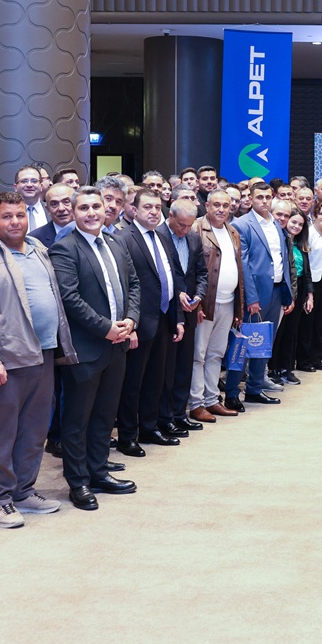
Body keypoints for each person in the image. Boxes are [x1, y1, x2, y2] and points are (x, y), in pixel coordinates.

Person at [0, 192, 77, 528]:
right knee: (3, 433)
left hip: (43, 353)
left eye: (20, 215)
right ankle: (0, 500)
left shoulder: (38, 249)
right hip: (5, 361)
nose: (15, 222)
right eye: (7, 216)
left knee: (34, 430)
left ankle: (23, 491)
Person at [49, 187, 140, 511]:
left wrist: (131, 319)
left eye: (96, 207)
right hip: (85, 349)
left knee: (104, 414)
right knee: (77, 420)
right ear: (74, 213)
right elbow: (69, 298)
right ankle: (78, 482)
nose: (91, 213)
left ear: (105, 209)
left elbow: (134, 284)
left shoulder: (115, 242)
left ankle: (99, 472)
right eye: (84, 208)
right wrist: (106, 328)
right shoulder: (64, 249)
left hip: (117, 345)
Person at [116, 189, 185, 450]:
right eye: (148, 207)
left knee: (155, 380)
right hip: (138, 323)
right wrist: (130, 324)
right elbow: (123, 286)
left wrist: (178, 319)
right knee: (132, 383)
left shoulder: (162, 238)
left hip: (164, 319)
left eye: (157, 207)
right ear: (134, 210)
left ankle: (149, 428)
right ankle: (127, 437)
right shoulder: (124, 239)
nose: (154, 212)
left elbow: (172, 280)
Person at [226, 183, 292, 407]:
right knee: (243, 344)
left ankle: (254, 389)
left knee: (264, 343)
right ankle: (232, 393)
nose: (264, 201)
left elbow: (282, 258)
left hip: (276, 290)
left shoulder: (276, 224)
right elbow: (243, 264)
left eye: (267, 197)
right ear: (251, 199)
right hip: (255, 294)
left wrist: (287, 292)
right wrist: (251, 297)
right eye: (259, 197)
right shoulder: (242, 225)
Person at [188, 189, 245, 421]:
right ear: (207, 206)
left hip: (228, 302)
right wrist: (197, 304)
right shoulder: (196, 228)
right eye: (216, 205)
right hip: (205, 304)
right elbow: (191, 271)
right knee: (198, 355)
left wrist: (239, 307)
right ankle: (196, 403)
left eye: (226, 205)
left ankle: (212, 399)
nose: (221, 209)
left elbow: (239, 270)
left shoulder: (233, 231)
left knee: (216, 354)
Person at [157, 198, 208, 429]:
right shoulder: (158, 236)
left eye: (189, 226)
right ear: (170, 216)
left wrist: (198, 296)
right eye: (180, 225)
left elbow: (201, 272)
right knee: (166, 367)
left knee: (184, 364)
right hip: (167, 309)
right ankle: (164, 417)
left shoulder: (194, 238)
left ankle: (179, 413)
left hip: (190, 308)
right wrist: (177, 293)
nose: (184, 230)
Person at [271, 207, 311, 383]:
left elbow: (307, 271)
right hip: (284, 289)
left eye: (300, 224)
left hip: (300, 288)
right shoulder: (281, 241)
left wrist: (309, 294)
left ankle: (286, 368)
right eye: (293, 222)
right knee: (279, 331)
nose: (296, 226)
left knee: (291, 331)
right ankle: (273, 369)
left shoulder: (301, 244)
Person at [296, 201, 322, 373]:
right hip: (312, 283)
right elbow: (307, 262)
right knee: (308, 323)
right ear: (315, 215)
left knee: (320, 322)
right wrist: (309, 290)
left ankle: (317, 358)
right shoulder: (309, 234)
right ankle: (304, 361)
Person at [27, 183, 75, 248]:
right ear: (48, 209)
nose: (61, 208)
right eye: (54, 204)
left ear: (76, 204)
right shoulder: (34, 240)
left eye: (66, 202)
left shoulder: (88, 231)